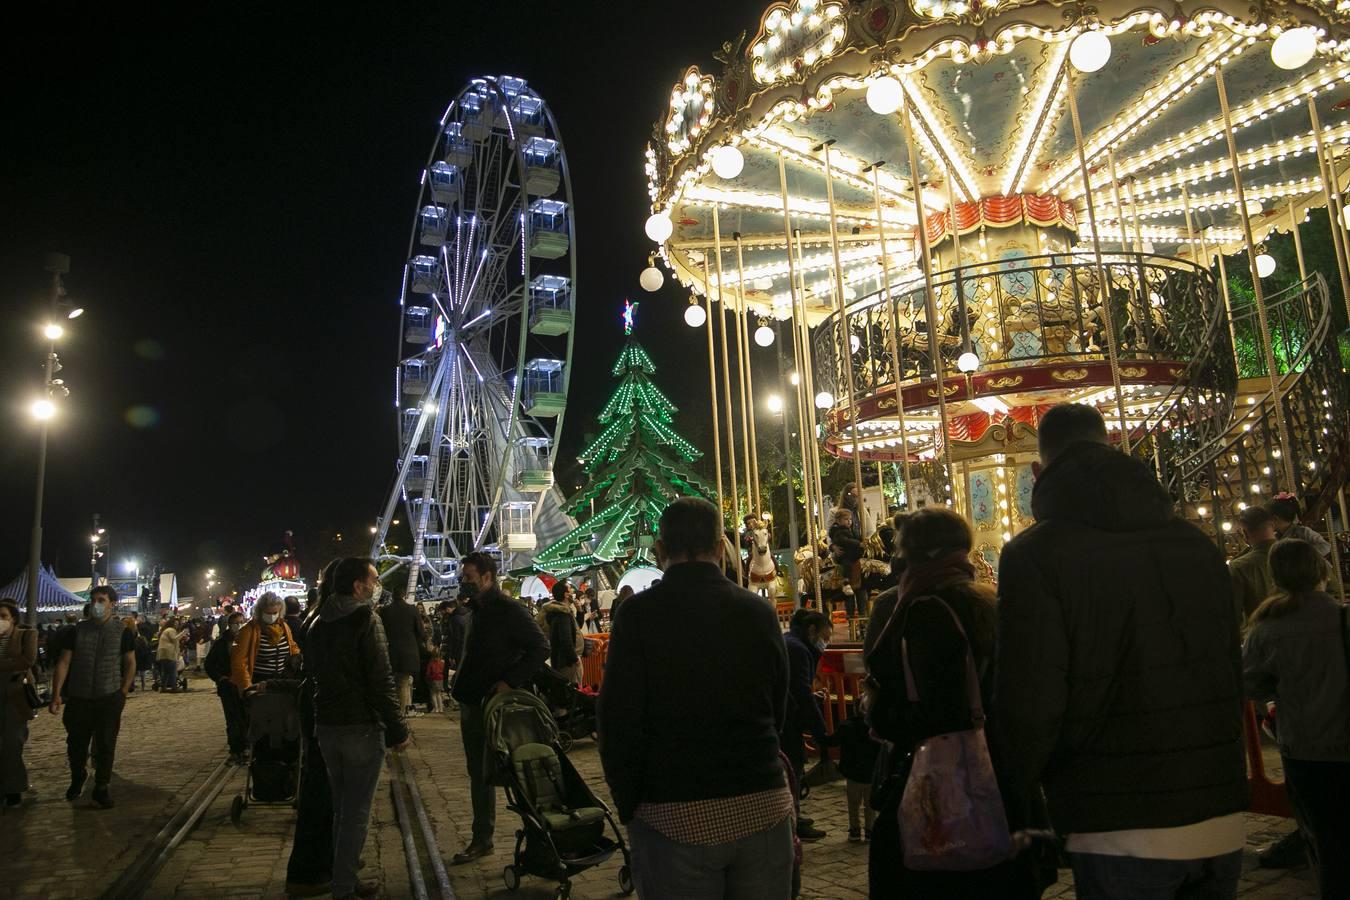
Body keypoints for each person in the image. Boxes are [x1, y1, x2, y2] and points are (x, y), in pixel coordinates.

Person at [996, 403, 1247, 898]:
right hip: (1218, 804)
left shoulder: (1032, 556)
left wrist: (1016, 791)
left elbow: (1033, 699)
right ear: (1114, 448)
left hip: (1114, 816)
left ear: (1036, 472)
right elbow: (1230, 666)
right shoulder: (1198, 546)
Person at [599, 497, 794, 898]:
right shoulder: (758, 613)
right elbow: (779, 704)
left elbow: (618, 718)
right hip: (760, 799)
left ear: (660, 550)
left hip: (673, 808)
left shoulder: (637, 616)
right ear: (720, 547)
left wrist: (629, 802)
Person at [866, 506, 1047, 898]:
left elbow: (937, 710)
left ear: (917, 553)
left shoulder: (925, 610)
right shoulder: (987, 600)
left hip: (949, 776)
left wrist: (881, 710)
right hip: (1002, 770)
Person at [1242, 538, 1350, 899]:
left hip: (1305, 747)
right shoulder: (1343, 618)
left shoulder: (1265, 630)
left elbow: (1252, 684)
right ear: (1321, 570)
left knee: (1326, 839)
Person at [307, 557, 408, 900]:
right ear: (358, 586)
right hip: (361, 726)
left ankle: (345, 874)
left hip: (327, 726)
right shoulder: (366, 617)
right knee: (357, 812)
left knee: (342, 808)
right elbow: (381, 679)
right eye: (374, 579)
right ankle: (343, 888)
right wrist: (397, 728)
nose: (377, 585)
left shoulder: (318, 621)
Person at [449, 551, 549, 864]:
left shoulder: (508, 609)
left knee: (515, 772)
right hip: (472, 703)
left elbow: (540, 647)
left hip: (497, 706)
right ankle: (483, 838)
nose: (464, 583)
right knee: (478, 773)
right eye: (463, 577)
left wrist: (509, 682)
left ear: (488, 578)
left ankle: (538, 840)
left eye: (469, 577)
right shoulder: (474, 610)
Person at [48, 585, 136, 809]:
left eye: (101, 600)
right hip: (79, 697)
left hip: (108, 696)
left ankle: (101, 786)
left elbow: (129, 662)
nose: (96, 604)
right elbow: (64, 662)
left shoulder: (122, 631)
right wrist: (56, 693)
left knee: (106, 743)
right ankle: (78, 776)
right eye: (94, 600)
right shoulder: (76, 631)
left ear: (111, 603)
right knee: (76, 744)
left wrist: (123, 691)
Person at [285, 558, 340, 897]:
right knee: (328, 794)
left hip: (317, 709)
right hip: (331, 715)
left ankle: (320, 866)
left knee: (320, 792)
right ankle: (322, 870)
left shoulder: (314, 617)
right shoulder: (332, 621)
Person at [781, 608, 830, 842]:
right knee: (794, 768)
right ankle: (794, 821)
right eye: (825, 638)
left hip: (785, 716)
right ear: (812, 630)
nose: (825, 644)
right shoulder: (798, 650)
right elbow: (802, 693)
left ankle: (795, 817)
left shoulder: (793, 644)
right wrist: (821, 731)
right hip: (786, 719)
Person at [0, 599, 38, 807]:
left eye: (4, 616)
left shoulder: (26, 634)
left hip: (15, 694)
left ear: (13, 618)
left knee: (13, 742)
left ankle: (14, 787)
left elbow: (27, 660)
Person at [230, 592, 300, 694]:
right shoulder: (249, 630)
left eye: (275, 613)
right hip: (258, 682)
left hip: (281, 681)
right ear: (260, 611)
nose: (272, 616)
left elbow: (292, 646)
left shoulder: (284, 626)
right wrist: (247, 687)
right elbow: (239, 661)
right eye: (268, 613)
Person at [204, 610, 247, 763]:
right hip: (228, 687)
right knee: (232, 718)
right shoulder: (222, 643)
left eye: (242, 622)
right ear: (229, 625)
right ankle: (235, 749)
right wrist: (220, 678)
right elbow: (209, 664)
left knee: (246, 717)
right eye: (236, 623)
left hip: (245, 685)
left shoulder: (248, 639)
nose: (240, 625)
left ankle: (246, 747)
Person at [378, 584, 426, 718]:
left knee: (393, 683)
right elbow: (421, 632)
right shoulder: (412, 610)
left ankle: (395, 712)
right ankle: (401, 714)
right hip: (409, 652)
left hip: (391, 650)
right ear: (404, 595)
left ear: (392, 596)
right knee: (404, 683)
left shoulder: (385, 611)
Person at [832, 711, 879, 843]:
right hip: (870, 773)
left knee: (853, 804)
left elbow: (833, 740)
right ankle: (869, 831)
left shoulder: (847, 726)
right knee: (870, 806)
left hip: (852, 773)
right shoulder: (876, 727)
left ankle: (855, 830)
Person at [1230, 506, 1278, 629]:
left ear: (1245, 533)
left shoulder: (1239, 566)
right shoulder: (1302, 551)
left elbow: (1233, 614)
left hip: (1263, 637)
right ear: (1273, 524)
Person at [539, 581, 581, 684]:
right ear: (566, 594)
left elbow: (577, 627)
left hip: (563, 661)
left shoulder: (563, 612)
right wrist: (574, 659)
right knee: (573, 692)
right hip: (567, 664)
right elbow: (565, 639)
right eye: (570, 588)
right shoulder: (562, 614)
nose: (573, 591)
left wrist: (580, 610)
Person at [1267, 494, 1333, 559]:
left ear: (1275, 518)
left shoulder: (1302, 531)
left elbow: (1325, 546)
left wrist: (1302, 555)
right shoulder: (1275, 536)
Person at [828, 507, 864, 612]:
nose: (849, 521)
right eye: (846, 519)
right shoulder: (839, 531)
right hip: (845, 556)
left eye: (850, 520)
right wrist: (859, 543)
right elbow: (844, 540)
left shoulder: (850, 529)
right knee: (846, 565)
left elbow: (856, 537)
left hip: (853, 555)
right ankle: (846, 582)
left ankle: (861, 614)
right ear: (838, 521)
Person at [156, 616, 181, 692]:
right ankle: (174, 687)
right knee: (172, 670)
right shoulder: (171, 630)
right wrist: (183, 633)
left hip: (162, 653)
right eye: (175, 624)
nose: (177, 625)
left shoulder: (165, 630)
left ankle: (163, 688)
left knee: (165, 672)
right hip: (168, 652)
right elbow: (174, 639)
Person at [425, 650, 445, 714]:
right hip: (440, 679)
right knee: (439, 694)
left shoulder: (431, 663)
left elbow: (428, 672)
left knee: (433, 694)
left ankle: (436, 708)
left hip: (433, 679)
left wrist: (427, 678)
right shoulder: (442, 663)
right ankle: (441, 708)